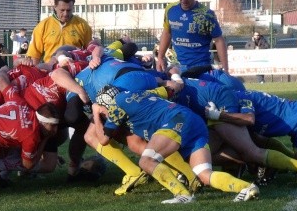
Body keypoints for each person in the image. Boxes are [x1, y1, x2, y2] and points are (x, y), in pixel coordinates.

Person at [91, 86, 259, 204]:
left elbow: (104, 139)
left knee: (146, 161)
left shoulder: (115, 105)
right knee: (204, 174)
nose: (106, 116)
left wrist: (96, 114)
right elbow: (168, 89)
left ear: (105, 103)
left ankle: (182, 194)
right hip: (195, 121)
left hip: (175, 121)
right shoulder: (139, 93)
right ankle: (247, 187)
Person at [156, 0, 228, 77]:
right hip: (178, 65)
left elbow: (219, 40)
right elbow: (167, 32)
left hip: (201, 67)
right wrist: (160, 57)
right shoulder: (171, 10)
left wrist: (225, 69)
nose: (183, 0)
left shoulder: (206, 15)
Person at [25, 0, 92, 65]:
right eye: (62, 10)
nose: (65, 14)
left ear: (73, 7)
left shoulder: (82, 25)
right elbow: (34, 55)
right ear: (55, 7)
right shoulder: (43, 26)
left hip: (75, 68)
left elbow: (89, 51)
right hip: (50, 70)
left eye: (68, 10)